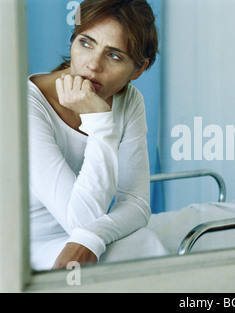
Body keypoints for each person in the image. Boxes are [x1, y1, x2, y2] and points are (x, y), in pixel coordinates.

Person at [28, 0, 167, 271]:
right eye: (86, 43)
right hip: (26, 246)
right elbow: (78, 220)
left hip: (82, 235)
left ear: (138, 70)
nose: (92, 66)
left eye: (114, 56)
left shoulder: (129, 101)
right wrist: (101, 122)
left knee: (146, 242)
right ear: (73, 41)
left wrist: (92, 238)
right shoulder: (23, 104)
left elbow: (137, 204)